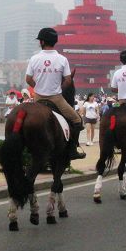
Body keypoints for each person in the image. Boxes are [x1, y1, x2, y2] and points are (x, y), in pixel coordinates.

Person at [26, 27, 85, 160]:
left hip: (38, 98)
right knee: (77, 120)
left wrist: (39, 87)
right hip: (56, 98)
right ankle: (72, 149)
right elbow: (69, 80)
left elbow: (28, 79)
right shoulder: (62, 59)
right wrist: (58, 88)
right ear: (54, 41)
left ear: (41, 42)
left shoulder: (34, 58)